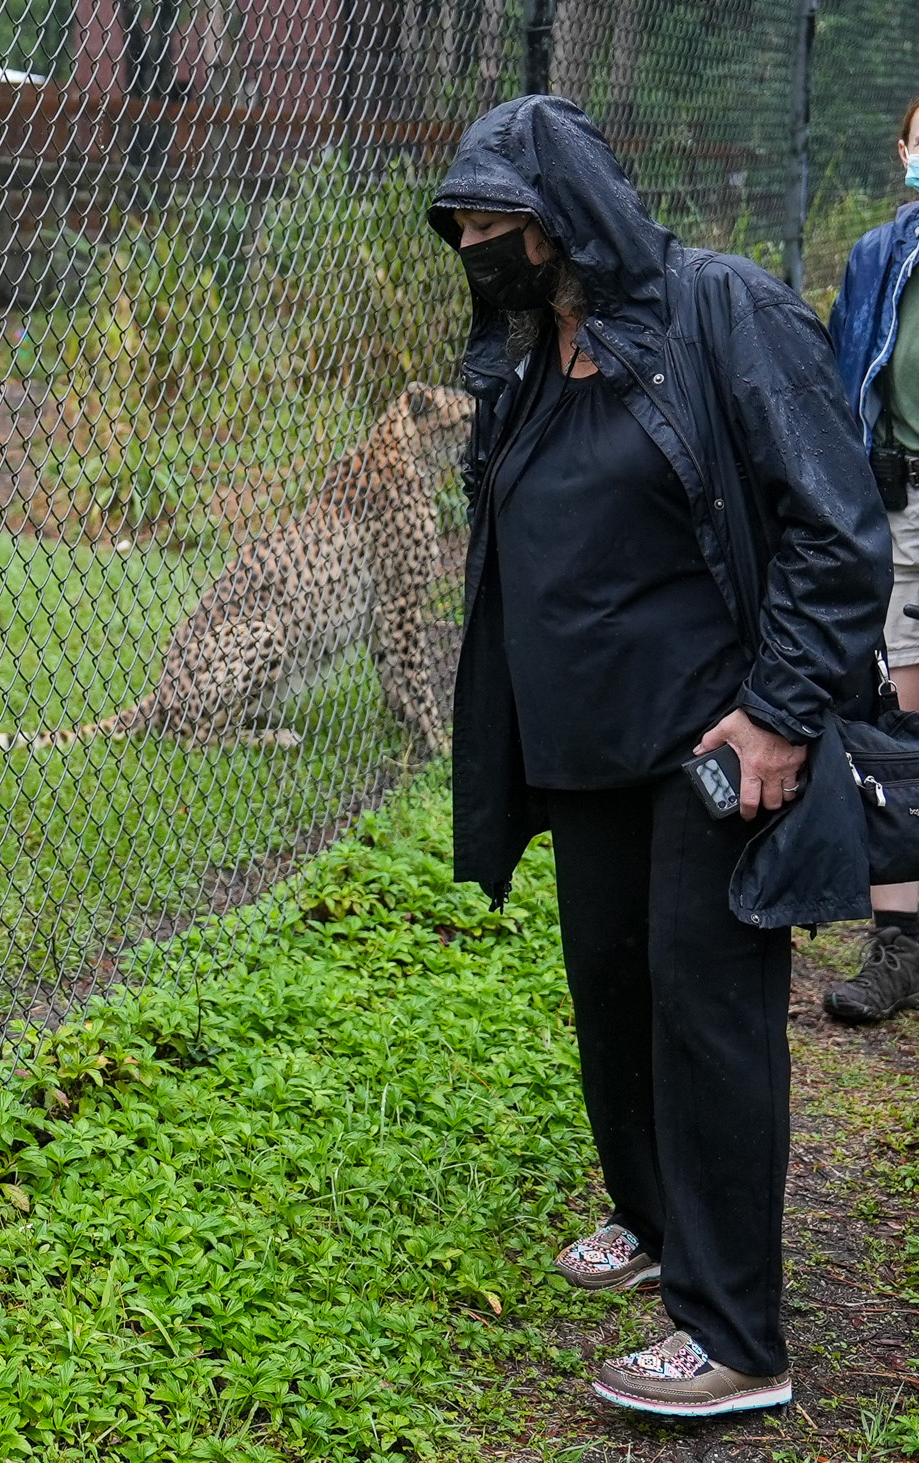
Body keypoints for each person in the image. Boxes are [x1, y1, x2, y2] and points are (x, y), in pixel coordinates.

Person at [429, 97, 889, 1417]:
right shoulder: (524, 346)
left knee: (705, 1018)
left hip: (713, 741)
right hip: (586, 745)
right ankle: (653, 1219)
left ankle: (737, 1334)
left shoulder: (716, 312)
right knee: (613, 992)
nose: (472, 246)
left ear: (566, 216)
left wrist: (781, 710)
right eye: (459, 227)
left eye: (493, 224)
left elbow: (834, 525)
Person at [823, 95, 919, 1025]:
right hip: (907, 507)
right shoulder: (875, 259)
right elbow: (837, 387)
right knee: (900, 721)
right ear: (902, 150)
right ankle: (899, 943)